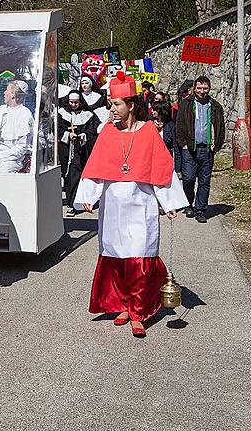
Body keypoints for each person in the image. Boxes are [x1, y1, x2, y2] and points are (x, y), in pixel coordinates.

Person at [73, 71, 188, 338]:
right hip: (113, 205)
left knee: (139, 257)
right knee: (116, 257)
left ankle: (138, 311)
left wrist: (169, 201)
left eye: (116, 104)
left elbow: (162, 169)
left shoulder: (149, 132)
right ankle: (123, 304)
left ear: (131, 105)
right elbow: (96, 168)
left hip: (141, 203)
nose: (111, 108)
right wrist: (89, 196)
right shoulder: (106, 132)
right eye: (110, 103)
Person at [175, 75, 224, 223]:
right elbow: (180, 125)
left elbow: (221, 127)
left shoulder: (215, 106)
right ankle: (188, 203)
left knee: (204, 181)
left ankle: (200, 209)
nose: (202, 91)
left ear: (209, 89)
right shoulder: (186, 104)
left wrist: (217, 144)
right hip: (189, 149)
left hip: (207, 149)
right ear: (194, 88)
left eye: (205, 88)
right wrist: (182, 144)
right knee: (188, 178)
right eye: (199, 88)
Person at [58, 90, 98, 215]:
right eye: (71, 102)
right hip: (66, 150)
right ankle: (71, 201)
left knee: (79, 175)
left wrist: (84, 135)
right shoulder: (62, 113)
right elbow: (57, 128)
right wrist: (67, 134)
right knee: (69, 176)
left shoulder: (88, 114)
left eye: (76, 102)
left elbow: (93, 129)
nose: (74, 105)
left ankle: (78, 202)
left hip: (82, 150)